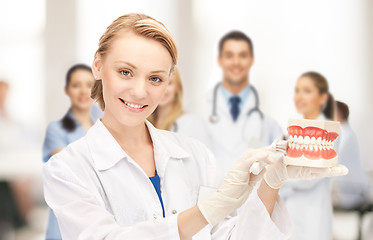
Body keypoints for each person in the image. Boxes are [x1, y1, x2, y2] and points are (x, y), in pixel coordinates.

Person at [42, 13, 347, 239]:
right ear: (98, 65)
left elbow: (230, 236)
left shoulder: (193, 154)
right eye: (125, 72)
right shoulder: (67, 170)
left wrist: (270, 182)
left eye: (155, 78)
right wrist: (208, 209)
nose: (140, 91)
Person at [204, 31, 284, 174]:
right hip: (213, 194)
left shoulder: (269, 123)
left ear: (251, 60)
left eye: (242, 55)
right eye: (229, 56)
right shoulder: (200, 113)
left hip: (255, 195)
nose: (236, 62)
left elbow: (279, 173)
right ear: (219, 60)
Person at [42, 64, 102, 240]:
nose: (83, 91)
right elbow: (67, 171)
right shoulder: (56, 130)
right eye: (76, 85)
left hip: (98, 219)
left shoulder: (105, 126)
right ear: (67, 90)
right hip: (66, 219)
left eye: (89, 85)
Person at [278, 71, 337, 240]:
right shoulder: (294, 131)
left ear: (323, 98)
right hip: (290, 211)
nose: (299, 96)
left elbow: (311, 176)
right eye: (297, 90)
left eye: (307, 91)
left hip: (313, 214)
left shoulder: (329, 132)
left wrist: (278, 180)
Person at [148, 67, 208, 141]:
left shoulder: (189, 123)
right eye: (158, 82)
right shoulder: (145, 121)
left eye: (169, 83)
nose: (163, 89)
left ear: (177, 88)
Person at [332, 101, 370, 209]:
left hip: (351, 191)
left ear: (339, 113)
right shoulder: (348, 132)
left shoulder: (342, 133)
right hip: (356, 189)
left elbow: (335, 160)